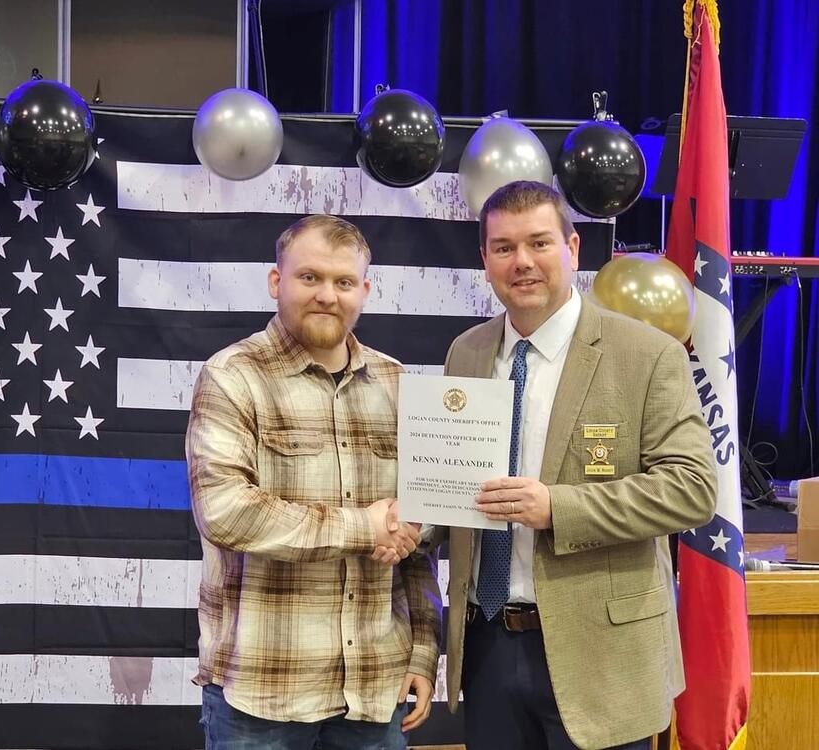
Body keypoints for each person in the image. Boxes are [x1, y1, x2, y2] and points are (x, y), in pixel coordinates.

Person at [442, 181, 716, 749]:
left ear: (573, 248)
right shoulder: (465, 352)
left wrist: (556, 508)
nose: (522, 262)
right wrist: (415, 516)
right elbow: (455, 480)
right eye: (504, 248)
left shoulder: (647, 354)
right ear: (484, 261)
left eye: (539, 243)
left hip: (604, 656)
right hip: (489, 646)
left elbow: (691, 489)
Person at [186, 214, 441, 750]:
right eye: (310, 278)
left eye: (344, 282)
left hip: (375, 688)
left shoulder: (398, 384)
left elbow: (417, 541)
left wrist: (422, 651)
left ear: (364, 291)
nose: (328, 294)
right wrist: (363, 525)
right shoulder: (232, 376)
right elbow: (227, 512)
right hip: (263, 692)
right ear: (277, 281)